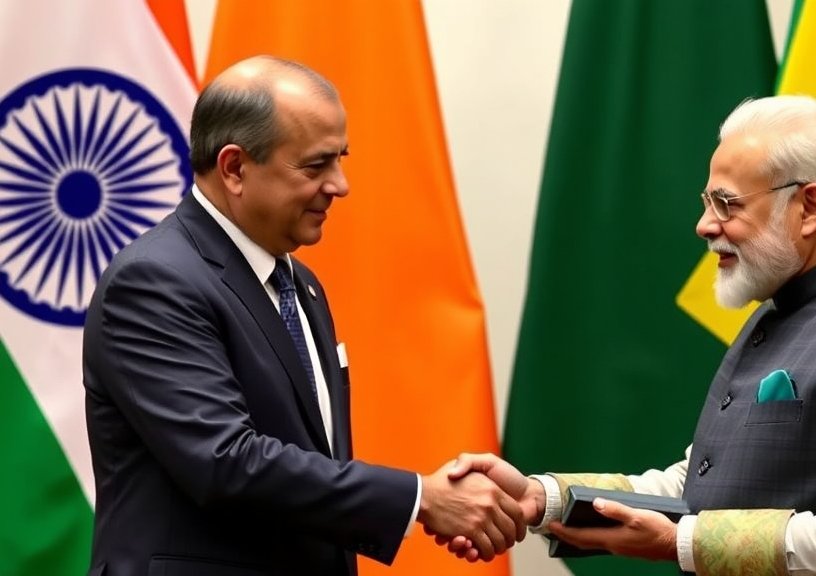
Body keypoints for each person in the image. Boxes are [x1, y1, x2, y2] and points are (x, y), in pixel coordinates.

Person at [444, 95, 816, 575]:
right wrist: (546, 498)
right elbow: (698, 489)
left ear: (809, 208)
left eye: (727, 204)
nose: (703, 224)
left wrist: (684, 541)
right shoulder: (780, 309)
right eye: (708, 202)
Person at [83, 55, 524, 576]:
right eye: (315, 166)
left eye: (340, 158)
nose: (341, 185)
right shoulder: (155, 281)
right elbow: (226, 462)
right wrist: (420, 499)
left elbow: (311, 460)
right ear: (235, 168)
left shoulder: (301, 285)